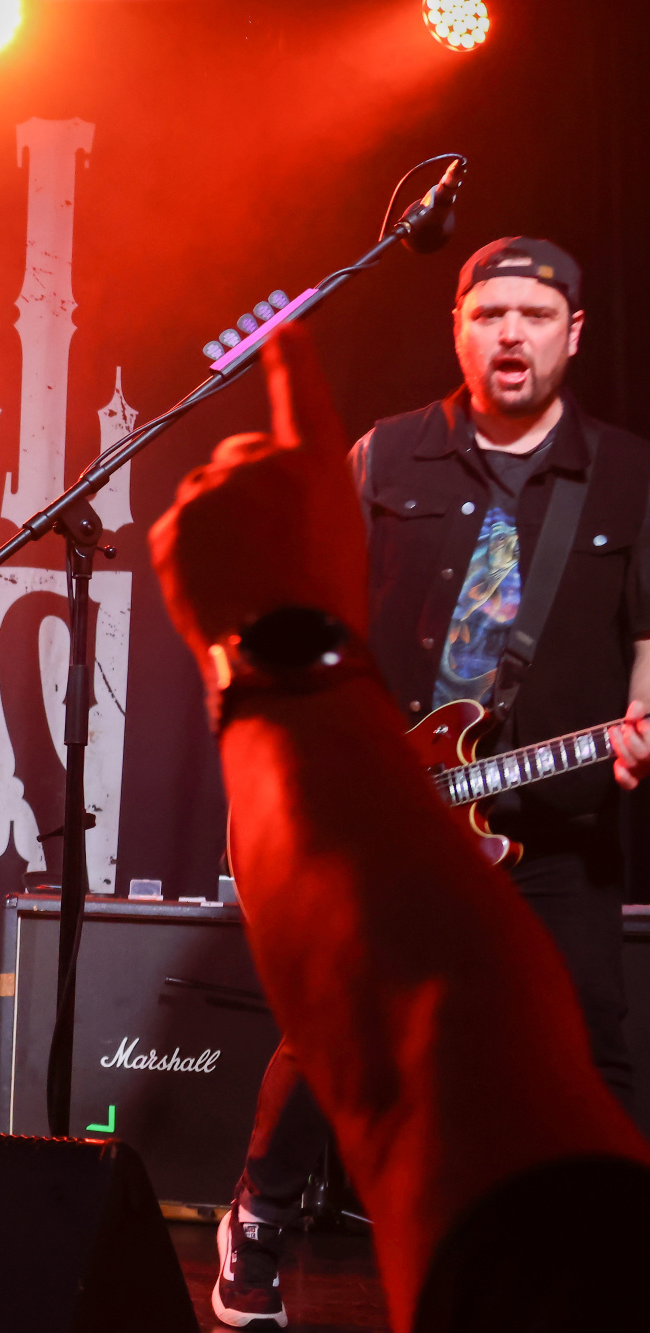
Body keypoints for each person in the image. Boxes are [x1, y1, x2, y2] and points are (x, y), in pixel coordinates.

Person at [151, 323, 650, 1333]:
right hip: (408, 767)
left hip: (553, 816)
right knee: (334, 1028)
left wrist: (639, 710)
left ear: (573, 331)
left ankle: (588, 1249)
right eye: (488, 310)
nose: (510, 330)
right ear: (457, 327)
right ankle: (257, 1223)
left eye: (535, 310)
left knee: (585, 1034)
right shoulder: (389, 452)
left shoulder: (622, 470)